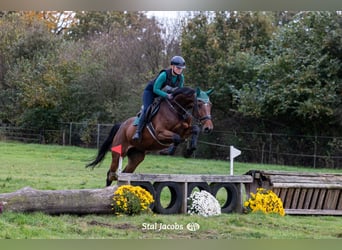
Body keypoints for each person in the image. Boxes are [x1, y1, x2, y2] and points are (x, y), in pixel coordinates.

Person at [132, 55, 186, 141]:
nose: (180, 70)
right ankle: (138, 132)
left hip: (165, 94)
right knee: (147, 109)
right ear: (172, 66)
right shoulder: (164, 75)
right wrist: (167, 95)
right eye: (178, 68)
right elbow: (155, 89)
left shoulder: (181, 77)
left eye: (181, 68)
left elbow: (179, 91)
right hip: (151, 92)